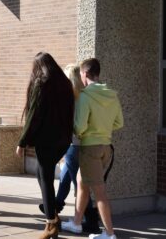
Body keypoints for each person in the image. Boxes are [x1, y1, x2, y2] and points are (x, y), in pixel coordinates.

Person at [62, 58, 124, 239]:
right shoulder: (111, 94)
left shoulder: (85, 96)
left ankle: (110, 234)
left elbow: (79, 127)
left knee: (99, 193)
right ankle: (76, 223)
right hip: (107, 148)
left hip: (90, 149)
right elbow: (119, 122)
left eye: (81, 74)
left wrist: (78, 129)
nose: (80, 77)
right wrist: (102, 128)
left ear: (85, 74)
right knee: (81, 182)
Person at [16, 52, 74, 239]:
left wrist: (22, 141)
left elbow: (34, 115)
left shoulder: (42, 83)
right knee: (42, 174)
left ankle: (51, 224)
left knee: (46, 179)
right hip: (64, 140)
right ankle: (53, 217)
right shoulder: (65, 84)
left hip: (47, 141)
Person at [39, 64, 99, 232]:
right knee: (67, 174)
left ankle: (91, 219)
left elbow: (72, 124)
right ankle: (56, 205)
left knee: (79, 184)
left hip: (75, 143)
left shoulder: (72, 97)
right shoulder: (84, 95)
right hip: (80, 144)